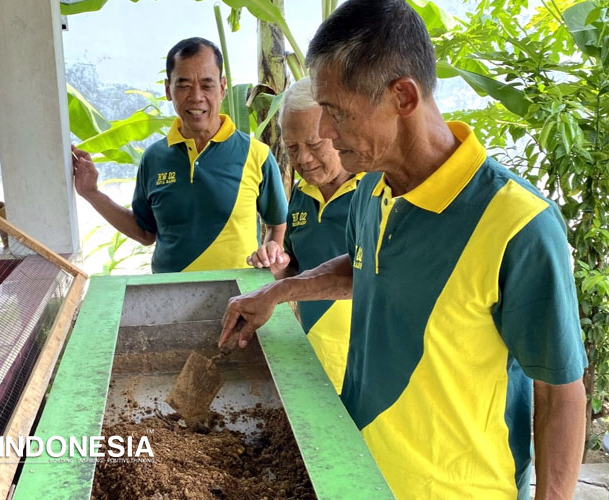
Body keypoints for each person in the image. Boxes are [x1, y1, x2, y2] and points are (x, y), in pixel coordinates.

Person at [219, 1, 587, 498]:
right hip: (357, 473)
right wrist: (281, 292)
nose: (324, 134)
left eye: (336, 112)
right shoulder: (373, 188)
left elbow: (559, 393)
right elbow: (364, 269)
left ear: (403, 97)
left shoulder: (519, 224)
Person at [72, 38, 287, 273]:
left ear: (223, 88)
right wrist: (91, 193)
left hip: (240, 298)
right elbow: (145, 233)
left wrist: (270, 255)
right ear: (167, 89)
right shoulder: (154, 158)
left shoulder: (256, 154)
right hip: (170, 297)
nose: (196, 97)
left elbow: (277, 224)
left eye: (207, 85)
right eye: (183, 85)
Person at [247, 77, 359, 394]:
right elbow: (296, 267)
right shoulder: (300, 194)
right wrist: (278, 263)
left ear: (339, 131)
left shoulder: (376, 190)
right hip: (317, 360)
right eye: (293, 148)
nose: (304, 159)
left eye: (315, 144)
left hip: (367, 369)